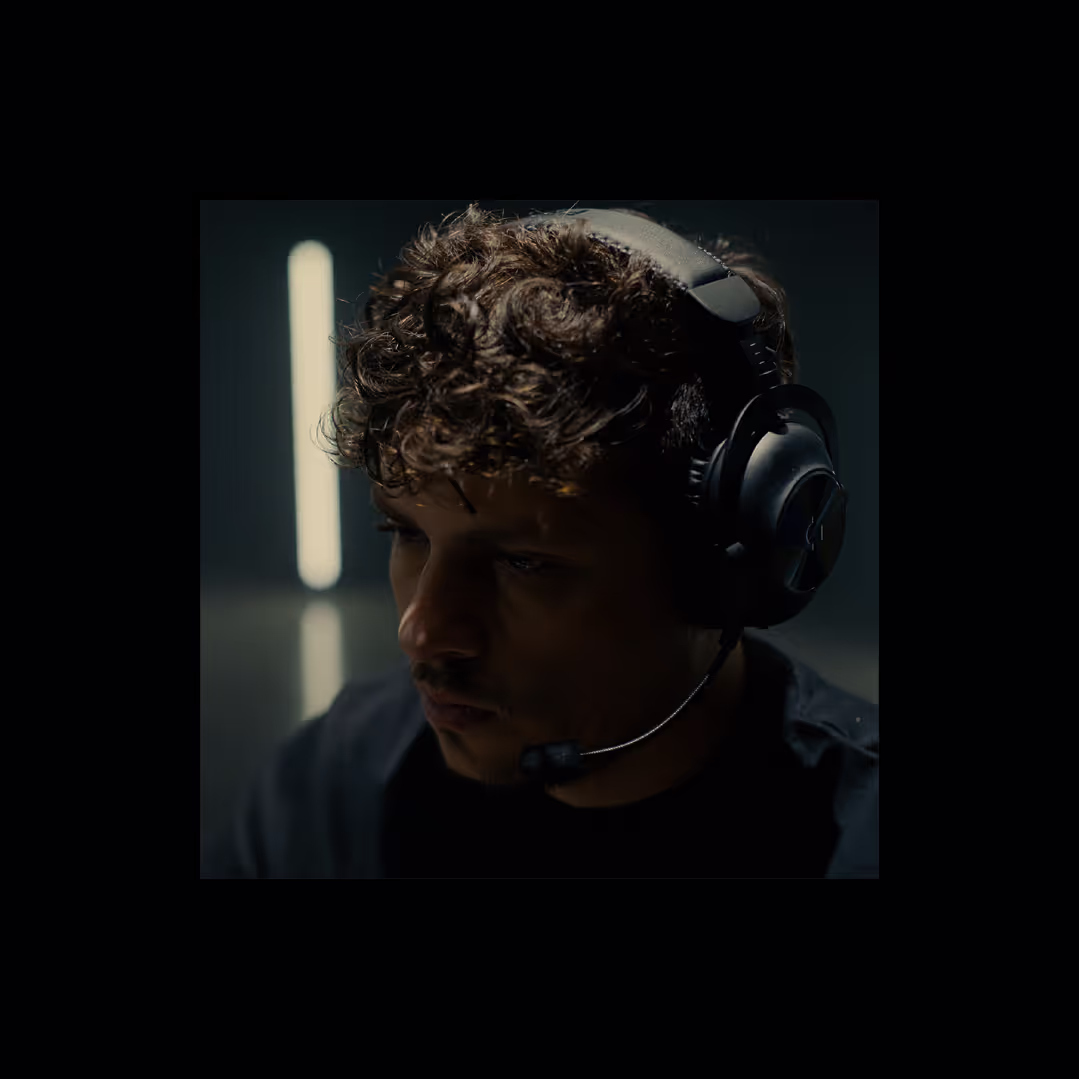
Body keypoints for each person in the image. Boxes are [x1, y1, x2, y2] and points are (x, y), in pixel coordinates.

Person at [200, 203, 878, 878]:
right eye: (406, 533)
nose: (423, 632)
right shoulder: (336, 785)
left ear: (721, 571)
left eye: (523, 562)